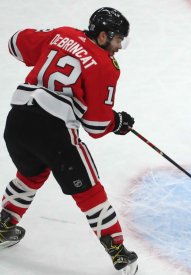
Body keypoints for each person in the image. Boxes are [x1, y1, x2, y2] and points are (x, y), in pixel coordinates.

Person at [0, 7, 138, 274]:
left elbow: (15, 43)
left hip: (17, 120)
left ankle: (3, 225)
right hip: (54, 131)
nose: (119, 46)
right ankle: (119, 252)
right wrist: (117, 121)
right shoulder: (103, 65)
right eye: (117, 39)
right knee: (89, 191)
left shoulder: (63, 34)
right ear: (102, 36)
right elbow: (96, 125)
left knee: (31, 173)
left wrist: (55, 46)